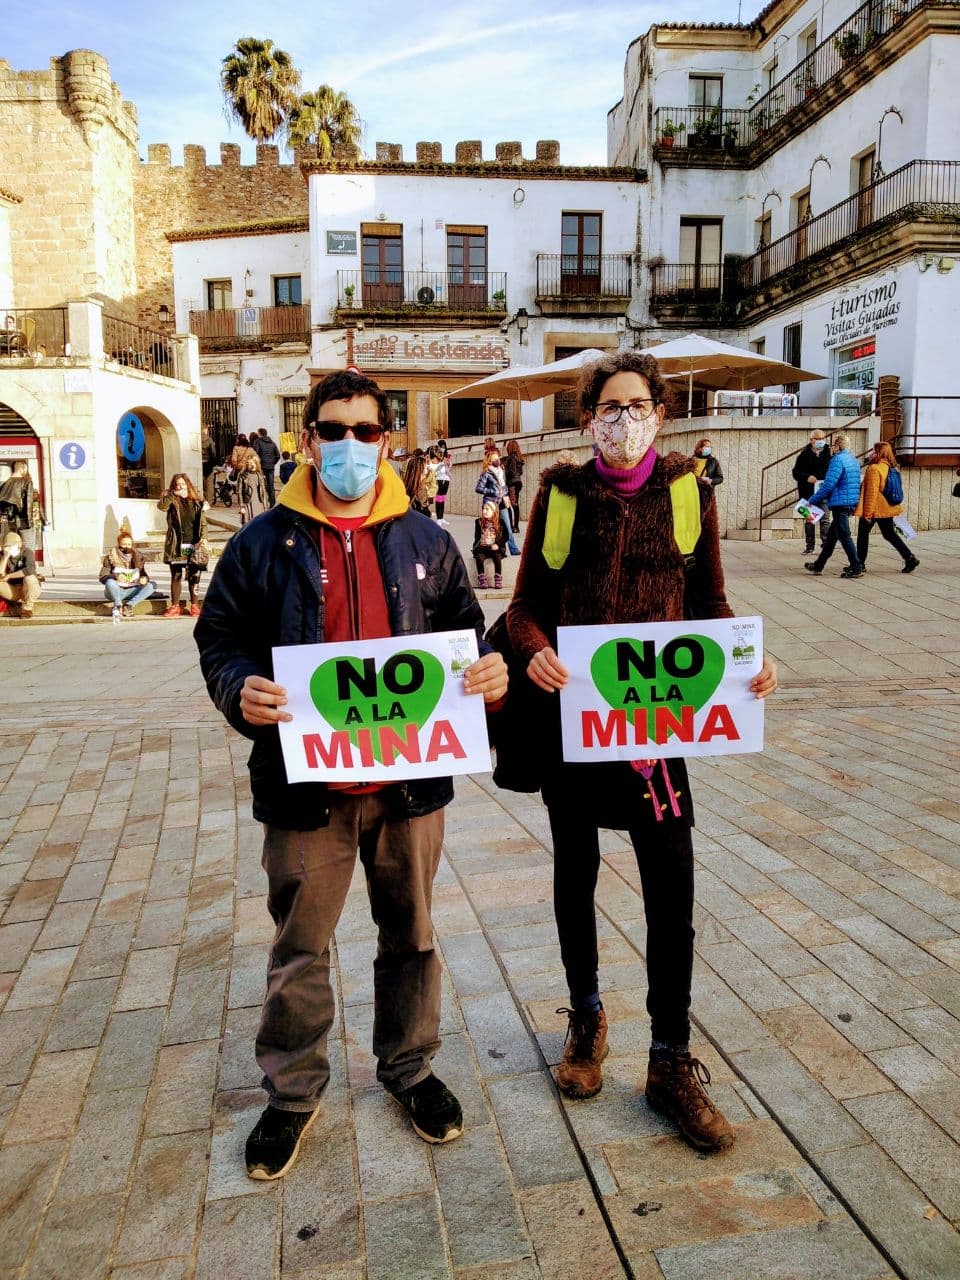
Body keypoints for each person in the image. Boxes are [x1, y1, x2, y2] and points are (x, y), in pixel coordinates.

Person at [194, 368, 507, 1180]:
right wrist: (238, 686)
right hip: (306, 792)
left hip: (410, 789)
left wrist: (487, 669)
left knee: (412, 935)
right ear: (308, 440)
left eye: (366, 431)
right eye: (333, 430)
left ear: (386, 441)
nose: (350, 445)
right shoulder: (262, 542)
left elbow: (466, 632)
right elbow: (218, 636)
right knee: (300, 946)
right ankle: (292, 1093)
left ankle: (410, 1067)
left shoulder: (428, 541)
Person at [505, 350, 777, 1154]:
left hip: (656, 734)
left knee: (671, 886)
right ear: (587, 417)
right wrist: (533, 651)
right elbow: (524, 607)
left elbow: (710, 606)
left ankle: (670, 1059)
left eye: (637, 407)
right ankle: (586, 1019)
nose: (622, 421)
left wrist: (747, 662)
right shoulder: (560, 494)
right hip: (577, 725)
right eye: (608, 408)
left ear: (661, 414)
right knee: (575, 874)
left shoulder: (689, 493)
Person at [804, 432, 864, 578]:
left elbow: (828, 484)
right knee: (831, 538)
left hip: (840, 503)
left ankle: (856, 567)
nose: (832, 448)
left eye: (833, 446)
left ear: (837, 447)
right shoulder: (853, 460)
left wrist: (811, 500)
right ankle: (818, 565)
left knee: (844, 536)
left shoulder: (837, 460)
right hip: (850, 501)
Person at [855, 441, 919, 574]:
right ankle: (909, 557)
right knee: (889, 533)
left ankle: (859, 564)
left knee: (863, 534)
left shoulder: (874, 469)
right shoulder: (892, 468)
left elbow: (871, 493)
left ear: (879, 453)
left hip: (875, 508)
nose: (871, 453)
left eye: (874, 451)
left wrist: (867, 514)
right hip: (887, 507)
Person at [158, 473, 208, 618]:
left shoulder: (197, 502)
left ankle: (194, 605)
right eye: (177, 484)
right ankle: (175, 606)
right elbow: (162, 506)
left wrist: (204, 537)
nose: (180, 487)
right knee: (176, 575)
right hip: (177, 544)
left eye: (183, 484)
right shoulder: (171, 499)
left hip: (193, 544)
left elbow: (203, 523)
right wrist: (173, 494)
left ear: (188, 485)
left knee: (193, 575)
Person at [98, 529, 157, 619]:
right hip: (115, 590)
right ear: (119, 544)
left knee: (152, 585)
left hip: (132, 589)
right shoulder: (110, 557)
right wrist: (115, 576)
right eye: (124, 544)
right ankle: (118, 606)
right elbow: (102, 577)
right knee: (110, 582)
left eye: (129, 544)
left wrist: (144, 579)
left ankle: (128, 606)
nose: (127, 547)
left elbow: (144, 574)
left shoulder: (138, 556)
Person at [791, 429, 832, 554]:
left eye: (823, 438)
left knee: (825, 520)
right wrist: (807, 477)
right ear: (812, 440)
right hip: (807, 492)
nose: (821, 441)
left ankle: (826, 546)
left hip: (823, 491)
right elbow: (796, 472)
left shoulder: (829, 454)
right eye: (818, 439)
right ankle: (809, 546)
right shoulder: (804, 455)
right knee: (809, 521)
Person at [0, 460, 42, 551]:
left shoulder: (3, 485)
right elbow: (28, 503)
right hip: (24, 522)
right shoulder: (26, 482)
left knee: (13, 549)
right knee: (28, 550)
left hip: (9, 523)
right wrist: (29, 524)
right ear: (22, 469)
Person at [0, 530, 41, 618]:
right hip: (13, 590)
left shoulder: (27, 552)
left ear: (19, 544)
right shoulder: (3, 555)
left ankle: (27, 609)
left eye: (11, 545)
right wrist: (5, 557)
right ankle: (17, 608)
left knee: (29, 578)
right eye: (7, 546)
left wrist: (9, 576)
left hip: (29, 589)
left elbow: (29, 570)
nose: (9, 548)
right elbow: (0, 574)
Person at [473, 499, 504, 589]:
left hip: (495, 548)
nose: (484, 511)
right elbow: (477, 537)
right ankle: (482, 578)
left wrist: (498, 544)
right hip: (483, 548)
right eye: (483, 509)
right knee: (479, 558)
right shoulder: (479, 522)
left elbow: (505, 536)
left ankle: (498, 578)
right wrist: (477, 547)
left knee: (497, 557)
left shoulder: (500, 522)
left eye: (487, 509)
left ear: (493, 511)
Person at [253, 428, 282, 507]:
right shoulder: (272, 443)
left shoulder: (257, 442)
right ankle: (272, 503)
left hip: (261, 466)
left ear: (259, 434)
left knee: (260, 484)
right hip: (270, 467)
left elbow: (255, 454)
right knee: (271, 485)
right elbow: (278, 455)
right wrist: (272, 462)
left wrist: (258, 463)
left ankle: (261, 502)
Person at [238, 456, 269, 524]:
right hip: (248, 503)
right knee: (247, 525)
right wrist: (242, 506)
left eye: (251, 463)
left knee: (258, 524)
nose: (249, 465)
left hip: (259, 504)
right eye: (248, 463)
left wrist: (265, 508)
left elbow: (264, 492)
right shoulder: (243, 476)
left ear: (256, 463)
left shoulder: (260, 476)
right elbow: (239, 492)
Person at [505, 439, 525, 530]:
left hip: (512, 483)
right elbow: (520, 472)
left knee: (510, 505)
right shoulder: (518, 458)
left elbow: (512, 472)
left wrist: (505, 470)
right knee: (514, 504)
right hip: (518, 482)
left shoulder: (512, 458)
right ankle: (515, 526)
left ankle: (513, 527)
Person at [432, 442, 451, 527]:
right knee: (438, 499)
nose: (443, 448)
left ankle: (441, 517)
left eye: (444, 447)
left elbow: (449, 466)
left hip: (446, 479)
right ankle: (438, 518)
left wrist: (448, 463)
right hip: (439, 479)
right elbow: (434, 468)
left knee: (442, 498)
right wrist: (442, 463)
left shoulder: (447, 456)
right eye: (441, 447)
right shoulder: (435, 456)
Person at [201, 426, 218, 506]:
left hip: (199, 463)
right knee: (209, 483)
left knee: (201, 482)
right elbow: (213, 452)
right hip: (208, 463)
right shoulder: (209, 440)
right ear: (206, 430)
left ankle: (202, 499)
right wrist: (214, 462)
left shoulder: (196, 439)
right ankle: (208, 501)